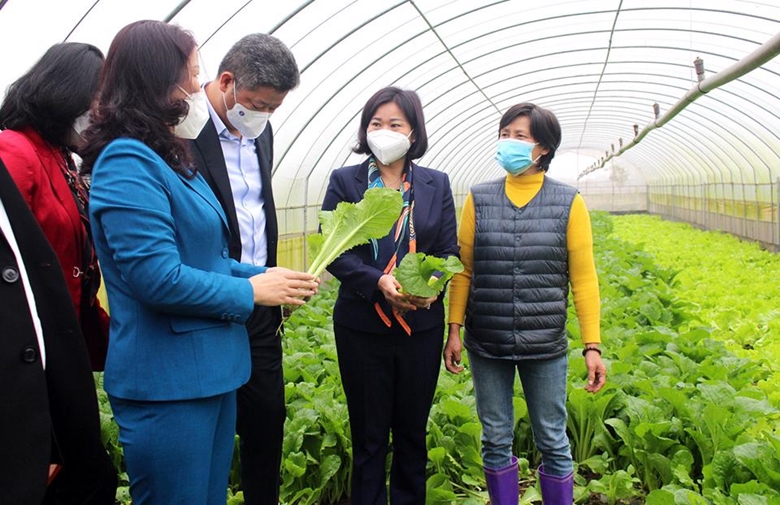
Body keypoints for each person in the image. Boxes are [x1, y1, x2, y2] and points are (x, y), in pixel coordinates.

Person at [78, 20, 318, 504]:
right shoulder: (127, 162)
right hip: (168, 383)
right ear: (153, 80)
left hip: (213, 372)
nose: (195, 86)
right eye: (190, 74)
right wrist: (252, 291)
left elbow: (209, 257)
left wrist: (262, 275)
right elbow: (157, 278)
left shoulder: (167, 157)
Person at [443, 102, 607, 505]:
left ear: (544, 148)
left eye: (521, 136)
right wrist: (454, 329)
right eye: (505, 134)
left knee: (552, 437)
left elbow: (583, 278)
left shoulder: (569, 202)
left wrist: (592, 345)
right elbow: (463, 270)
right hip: (488, 342)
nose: (509, 143)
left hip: (545, 345)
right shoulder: (478, 199)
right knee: (495, 437)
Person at [321, 86, 459, 505]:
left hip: (420, 326)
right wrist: (375, 281)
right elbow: (333, 249)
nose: (383, 131)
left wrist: (429, 289)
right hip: (362, 325)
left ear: (413, 133)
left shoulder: (436, 184)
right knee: (368, 436)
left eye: (394, 124)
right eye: (375, 123)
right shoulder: (346, 181)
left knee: (413, 435)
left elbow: (448, 253)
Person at [188, 33, 299, 505]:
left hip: (261, 304)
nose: (264, 116)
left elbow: (257, 208)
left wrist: (270, 282)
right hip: (212, 299)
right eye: (257, 104)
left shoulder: (260, 131)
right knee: (209, 428)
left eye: (274, 108)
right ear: (227, 82)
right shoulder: (183, 130)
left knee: (267, 421)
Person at [0, 156, 116, 505]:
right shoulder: (17, 152)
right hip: (30, 367)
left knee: (90, 473)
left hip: (64, 342)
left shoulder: (61, 158)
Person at [0, 42, 110, 371]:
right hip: (26, 341)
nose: (101, 113)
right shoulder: (15, 150)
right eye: (98, 100)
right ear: (66, 93)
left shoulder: (61, 157)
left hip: (62, 331)